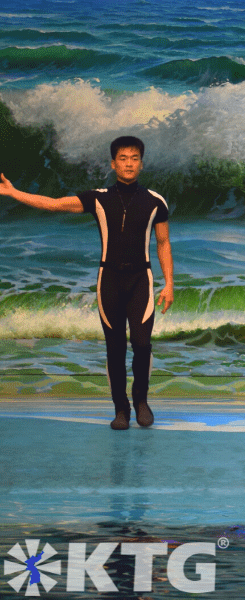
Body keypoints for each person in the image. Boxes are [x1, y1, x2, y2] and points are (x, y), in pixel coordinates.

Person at [0, 136, 174, 430]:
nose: (128, 163)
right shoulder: (99, 197)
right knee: (115, 348)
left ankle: (141, 401)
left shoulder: (155, 201)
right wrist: (15, 193)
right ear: (113, 163)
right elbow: (54, 204)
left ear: (141, 164)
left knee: (142, 345)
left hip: (140, 280)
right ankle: (121, 410)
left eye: (134, 158)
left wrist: (169, 283)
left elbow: (163, 242)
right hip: (109, 280)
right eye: (122, 158)